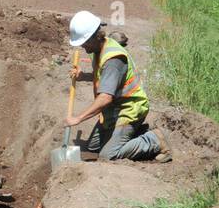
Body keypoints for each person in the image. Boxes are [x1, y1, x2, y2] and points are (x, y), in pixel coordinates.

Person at [67, 10, 170, 162]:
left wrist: (78, 118)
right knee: (93, 147)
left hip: (130, 109)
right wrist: (84, 76)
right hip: (113, 110)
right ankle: (133, 133)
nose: (83, 46)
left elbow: (105, 98)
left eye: (85, 42)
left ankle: (154, 140)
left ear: (95, 36)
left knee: (108, 155)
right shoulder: (99, 49)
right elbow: (106, 78)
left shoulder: (113, 59)